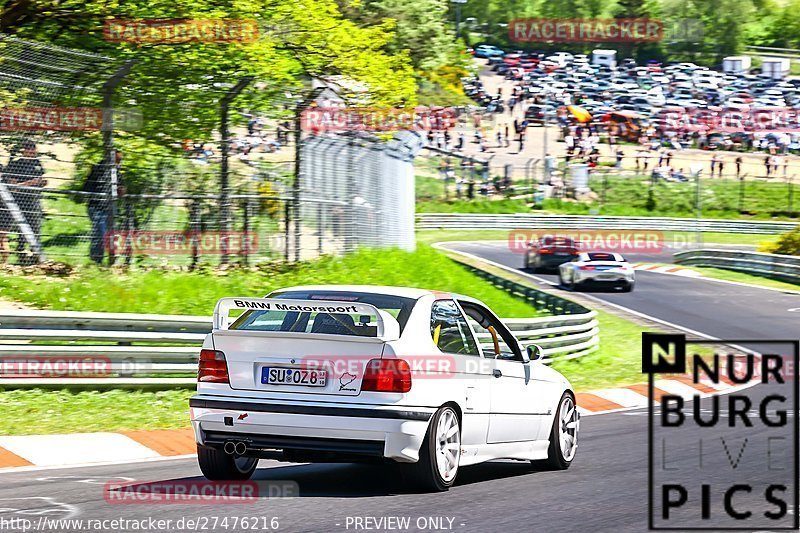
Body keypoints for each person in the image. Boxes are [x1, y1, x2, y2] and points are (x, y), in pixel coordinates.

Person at [2, 140, 46, 264]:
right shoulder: (16, 164)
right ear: (24, 150)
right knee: (22, 228)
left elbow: (41, 179)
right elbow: (13, 186)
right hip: (20, 201)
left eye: (34, 150)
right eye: (30, 149)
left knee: (36, 227)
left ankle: (35, 256)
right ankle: (21, 253)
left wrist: (42, 182)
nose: (33, 152)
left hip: (35, 200)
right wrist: (31, 183)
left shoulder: (37, 164)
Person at [83, 151, 125, 264]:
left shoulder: (117, 173)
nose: (119, 163)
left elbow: (122, 190)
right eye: (118, 160)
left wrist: (121, 190)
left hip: (111, 209)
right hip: (96, 207)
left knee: (112, 233)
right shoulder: (97, 169)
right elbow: (86, 187)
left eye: (120, 161)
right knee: (100, 234)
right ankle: (97, 261)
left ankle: (110, 260)